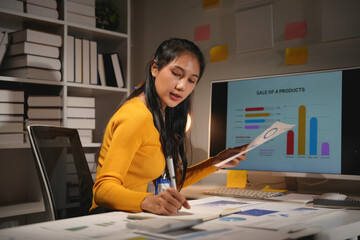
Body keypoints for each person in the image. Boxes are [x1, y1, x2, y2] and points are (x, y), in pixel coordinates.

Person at [90, 38, 247, 215]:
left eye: (191, 80)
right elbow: (102, 190)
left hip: (134, 215)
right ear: (154, 68)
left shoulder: (161, 115)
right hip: (109, 216)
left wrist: (215, 163)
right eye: (176, 73)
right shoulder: (136, 116)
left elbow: (173, 180)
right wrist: (149, 201)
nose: (181, 86)